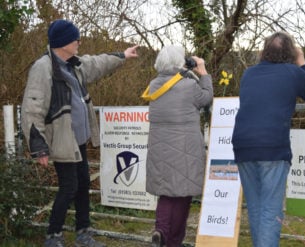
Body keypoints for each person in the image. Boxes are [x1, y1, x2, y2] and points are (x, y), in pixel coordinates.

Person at [21, 19, 138, 247]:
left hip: (80, 140)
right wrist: (39, 146)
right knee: (69, 188)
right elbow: (32, 109)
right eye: (76, 38)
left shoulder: (73, 64)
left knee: (83, 184)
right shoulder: (43, 68)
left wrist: (123, 55)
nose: (79, 42)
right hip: (63, 142)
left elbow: (97, 63)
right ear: (63, 42)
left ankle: (83, 234)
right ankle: (53, 237)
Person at [231, 31, 305, 247]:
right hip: (272, 146)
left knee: (255, 208)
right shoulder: (293, 72)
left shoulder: (249, 73)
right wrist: (302, 62)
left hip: (243, 145)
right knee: (271, 210)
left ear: (264, 51)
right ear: (291, 52)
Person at [143, 45, 213, 247]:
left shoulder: (153, 86)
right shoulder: (188, 86)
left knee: (166, 193)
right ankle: (173, 241)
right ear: (179, 63)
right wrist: (203, 71)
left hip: (159, 149)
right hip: (184, 151)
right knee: (182, 196)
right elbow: (207, 97)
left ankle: (160, 230)